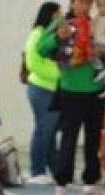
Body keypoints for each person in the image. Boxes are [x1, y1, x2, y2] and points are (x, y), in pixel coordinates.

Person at [39, 0, 105, 195]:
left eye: (87, 3)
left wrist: (103, 55)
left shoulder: (99, 26)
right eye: (79, 2)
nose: (83, 7)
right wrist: (58, 37)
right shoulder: (61, 24)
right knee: (68, 140)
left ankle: (90, 185)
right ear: (72, 4)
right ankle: (61, 186)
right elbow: (41, 49)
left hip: (96, 93)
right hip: (70, 92)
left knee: (93, 140)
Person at [24, 2, 63, 185]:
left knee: (51, 130)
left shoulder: (52, 35)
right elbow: (32, 62)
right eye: (58, 14)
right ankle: (37, 170)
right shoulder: (37, 34)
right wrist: (59, 74)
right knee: (43, 129)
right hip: (41, 88)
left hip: (53, 89)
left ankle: (54, 169)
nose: (60, 17)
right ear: (50, 15)